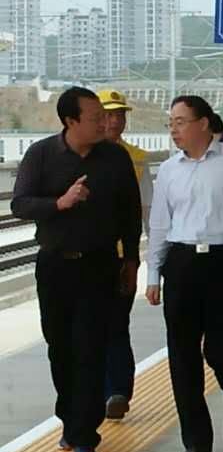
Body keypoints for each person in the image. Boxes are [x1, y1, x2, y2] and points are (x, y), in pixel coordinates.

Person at [13, 87, 142, 452]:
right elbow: (20, 203)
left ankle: (85, 437)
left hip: (99, 266)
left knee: (90, 349)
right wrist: (60, 203)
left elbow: (130, 213)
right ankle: (71, 420)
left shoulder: (114, 157)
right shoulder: (41, 155)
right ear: (70, 121)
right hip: (55, 267)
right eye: (95, 118)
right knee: (60, 348)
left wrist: (131, 261)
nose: (105, 123)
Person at [146, 95, 223, 452]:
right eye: (171, 123)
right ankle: (196, 440)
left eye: (180, 121)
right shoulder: (169, 170)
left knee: (221, 350)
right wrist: (153, 274)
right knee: (182, 356)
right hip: (181, 264)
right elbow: (159, 224)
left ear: (203, 123)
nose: (174, 129)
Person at [97, 88, 153, 421]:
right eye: (108, 115)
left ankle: (117, 391)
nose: (115, 121)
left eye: (120, 115)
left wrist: (155, 262)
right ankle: (99, 391)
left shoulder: (137, 158)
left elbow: (149, 212)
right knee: (90, 327)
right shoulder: (78, 155)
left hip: (122, 258)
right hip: (88, 257)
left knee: (117, 324)